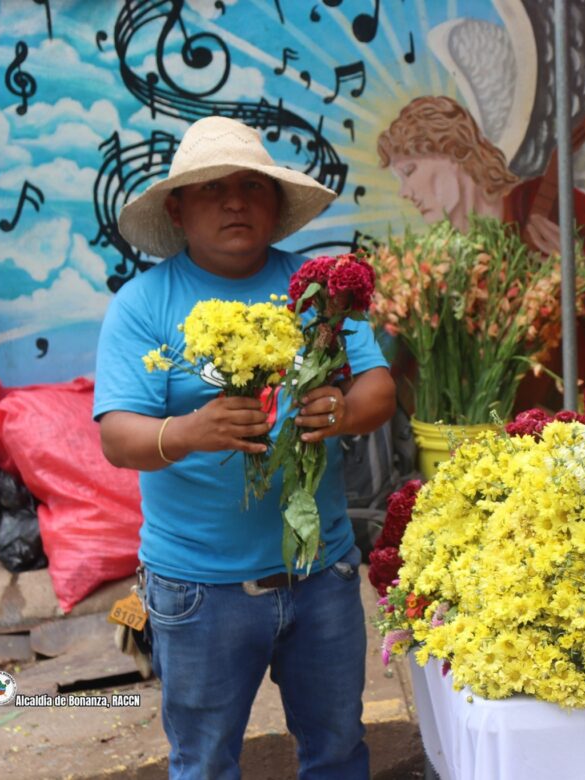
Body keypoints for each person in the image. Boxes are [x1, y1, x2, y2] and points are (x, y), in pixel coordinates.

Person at [94, 115, 395, 779]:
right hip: (199, 589)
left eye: (251, 186)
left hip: (320, 577)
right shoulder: (143, 305)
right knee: (203, 764)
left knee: (339, 753)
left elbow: (379, 388)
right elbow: (117, 437)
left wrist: (343, 411)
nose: (234, 201)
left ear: (275, 203)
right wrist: (187, 432)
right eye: (212, 188)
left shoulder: (316, 294)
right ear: (177, 209)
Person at [376, 95, 585, 409]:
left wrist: (579, 263)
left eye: (409, 171)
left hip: (566, 418)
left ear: (454, 152)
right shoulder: (444, 260)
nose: (405, 192)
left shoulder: (541, 204)